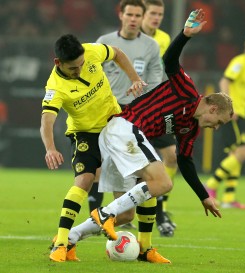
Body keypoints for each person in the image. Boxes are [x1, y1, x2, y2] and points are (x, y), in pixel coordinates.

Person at [68, 9, 233, 264]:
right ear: (212, 108)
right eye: (219, 121)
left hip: (128, 138)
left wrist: (203, 196)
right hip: (124, 126)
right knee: (163, 183)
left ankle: (69, 238)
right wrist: (185, 35)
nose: (216, 127)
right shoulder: (188, 90)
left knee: (126, 216)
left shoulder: (192, 127)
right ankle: (107, 216)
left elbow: (186, 162)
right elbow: (170, 61)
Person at [40, 33, 146, 262]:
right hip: (85, 133)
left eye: (81, 65)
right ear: (58, 63)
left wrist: (134, 78)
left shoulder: (91, 51)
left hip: (115, 126)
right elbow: (46, 121)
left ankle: (74, 236)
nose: (78, 70)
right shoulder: (55, 87)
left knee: (128, 211)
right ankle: (60, 242)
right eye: (72, 68)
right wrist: (50, 148)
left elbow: (117, 53)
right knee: (85, 180)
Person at [88, 0, 167, 262]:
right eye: (129, 14)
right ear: (121, 15)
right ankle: (73, 232)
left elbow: (157, 81)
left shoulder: (151, 46)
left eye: (137, 15)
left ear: (142, 18)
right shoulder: (105, 41)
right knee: (124, 206)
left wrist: (146, 99)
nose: (133, 19)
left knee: (150, 182)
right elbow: (92, 78)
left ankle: (146, 246)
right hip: (111, 118)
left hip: (139, 118)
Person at [141, 0, 177, 237]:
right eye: (153, 13)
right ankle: (120, 212)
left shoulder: (163, 38)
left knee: (172, 158)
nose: (157, 18)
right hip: (133, 108)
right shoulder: (130, 38)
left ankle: (161, 209)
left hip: (158, 107)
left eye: (160, 14)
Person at [205, 36, 245, 209]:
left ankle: (229, 198)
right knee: (243, 152)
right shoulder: (240, 62)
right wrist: (228, 106)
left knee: (236, 154)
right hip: (235, 112)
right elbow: (224, 80)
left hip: (243, 112)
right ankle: (211, 184)